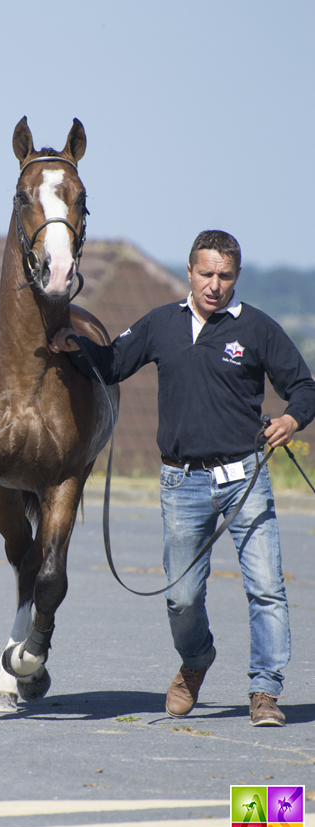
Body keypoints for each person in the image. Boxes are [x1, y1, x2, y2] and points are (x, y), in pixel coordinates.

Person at [50, 230, 315, 727]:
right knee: (182, 597)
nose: (215, 285)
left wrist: (291, 420)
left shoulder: (256, 328)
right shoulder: (160, 324)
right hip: (181, 484)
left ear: (237, 276)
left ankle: (265, 691)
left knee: (266, 588)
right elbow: (111, 365)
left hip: (245, 479)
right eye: (206, 274)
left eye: (225, 275)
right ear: (189, 272)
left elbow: (303, 386)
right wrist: (74, 346)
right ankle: (195, 660)